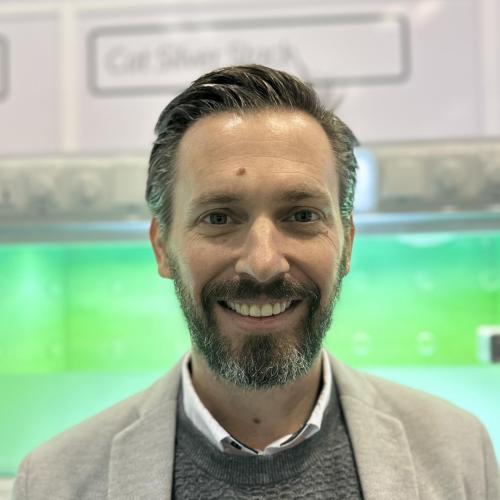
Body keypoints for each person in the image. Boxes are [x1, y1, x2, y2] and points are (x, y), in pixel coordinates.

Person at [13, 65, 499, 500]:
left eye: (302, 215)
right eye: (219, 217)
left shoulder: (459, 456)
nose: (263, 264)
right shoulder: (55, 484)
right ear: (162, 247)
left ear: (348, 243)